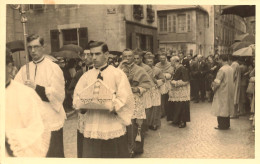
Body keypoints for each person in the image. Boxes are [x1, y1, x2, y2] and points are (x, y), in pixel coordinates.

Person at [73, 41, 134, 158]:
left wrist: (112, 106)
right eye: (92, 54)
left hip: (111, 124)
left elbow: (124, 97)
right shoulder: (86, 76)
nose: (93, 58)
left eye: (97, 54)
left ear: (106, 55)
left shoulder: (118, 74)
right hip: (92, 125)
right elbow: (77, 96)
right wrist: (82, 106)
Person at [14, 34, 66, 157]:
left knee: (53, 155)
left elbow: (58, 95)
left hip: (51, 118)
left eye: (36, 47)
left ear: (43, 47)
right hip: (32, 121)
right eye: (30, 47)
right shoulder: (24, 69)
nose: (33, 51)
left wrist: (36, 88)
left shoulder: (53, 68)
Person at [5, 50, 50, 157]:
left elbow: (41, 132)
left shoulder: (26, 95)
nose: (33, 50)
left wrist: (8, 136)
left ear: (9, 67)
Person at [119, 48, 153, 157]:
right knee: (124, 124)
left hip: (135, 100)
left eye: (129, 56)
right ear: (122, 57)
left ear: (134, 57)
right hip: (123, 101)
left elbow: (148, 84)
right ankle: (126, 148)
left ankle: (135, 149)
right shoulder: (119, 70)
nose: (127, 58)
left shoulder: (140, 70)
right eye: (125, 56)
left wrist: (137, 89)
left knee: (135, 125)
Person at [68, 49, 94, 158]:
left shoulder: (103, 71)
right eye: (85, 55)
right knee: (83, 138)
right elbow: (71, 90)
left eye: (89, 54)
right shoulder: (80, 73)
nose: (86, 57)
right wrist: (77, 99)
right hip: (84, 111)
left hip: (98, 110)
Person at [211, 54, 234, 130]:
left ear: (221, 60)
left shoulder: (222, 69)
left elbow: (217, 81)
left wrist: (213, 87)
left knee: (220, 108)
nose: (218, 61)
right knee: (227, 107)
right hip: (229, 90)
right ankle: (227, 124)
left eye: (219, 59)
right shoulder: (231, 68)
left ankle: (221, 125)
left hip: (222, 91)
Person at [167, 56, 190, 128]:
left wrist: (175, 83)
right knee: (177, 105)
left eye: (171, 61)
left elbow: (186, 81)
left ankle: (182, 121)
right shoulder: (175, 68)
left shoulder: (182, 68)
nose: (170, 62)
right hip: (176, 91)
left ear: (175, 61)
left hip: (181, 91)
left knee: (181, 106)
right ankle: (176, 120)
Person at [146, 56, 165, 130]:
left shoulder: (157, 70)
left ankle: (155, 123)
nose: (149, 63)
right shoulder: (143, 69)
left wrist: (156, 81)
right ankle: (147, 124)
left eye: (151, 61)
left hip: (155, 90)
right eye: (148, 62)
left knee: (155, 107)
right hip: (147, 90)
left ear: (153, 62)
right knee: (148, 107)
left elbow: (163, 80)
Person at [155, 52, 174, 118]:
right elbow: (155, 73)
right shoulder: (157, 65)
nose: (162, 59)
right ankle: (162, 112)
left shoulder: (169, 64)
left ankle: (169, 112)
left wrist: (162, 75)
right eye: (161, 58)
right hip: (161, 83)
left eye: (163, 58)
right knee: (161, 98)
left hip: (168, 83)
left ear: (166, 58)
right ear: (159, 58)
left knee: (169, 98)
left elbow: (171, 73)